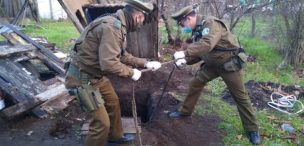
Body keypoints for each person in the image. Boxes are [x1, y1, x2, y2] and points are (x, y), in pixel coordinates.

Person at [64, 0, 161, 146]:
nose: (141, 25)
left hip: (96, 77)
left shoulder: (117, 25)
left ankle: (115, 137)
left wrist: (145, 63)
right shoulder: (112, 27)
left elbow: (122, 55)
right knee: (101, 124)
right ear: (138, 16)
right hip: (83, 79)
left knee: (113, 102)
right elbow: (108, 63)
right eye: (142, 20)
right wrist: (131, 72)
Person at [167, 5, 261, 145]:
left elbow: (207, 44)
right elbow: (200, 53)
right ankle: (185, 111)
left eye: (182, 24)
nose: (182, 28)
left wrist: (185, 53)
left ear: (189, 18)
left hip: (229, 65)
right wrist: (184, 61)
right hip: (212, 65)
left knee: (240, 96)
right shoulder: (197, 30)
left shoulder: (211, 23)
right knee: (195, 83)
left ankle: (252, 129)